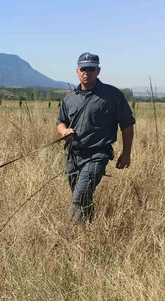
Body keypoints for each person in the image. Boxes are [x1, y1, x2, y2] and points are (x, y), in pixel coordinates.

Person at [56, 52, 135, 224]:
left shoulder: (112, 95)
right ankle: (89, 232)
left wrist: (126, 153)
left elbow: (127, 125)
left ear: (98, 71)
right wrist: (64, 132)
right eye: (83, 69)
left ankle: (72, 237)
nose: (87, 72)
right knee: (84, 199)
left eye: (91, 69)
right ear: (77, 71)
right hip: (73, 156)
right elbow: (61, 122)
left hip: (97, 155)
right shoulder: (69, 98)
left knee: (79, 197)